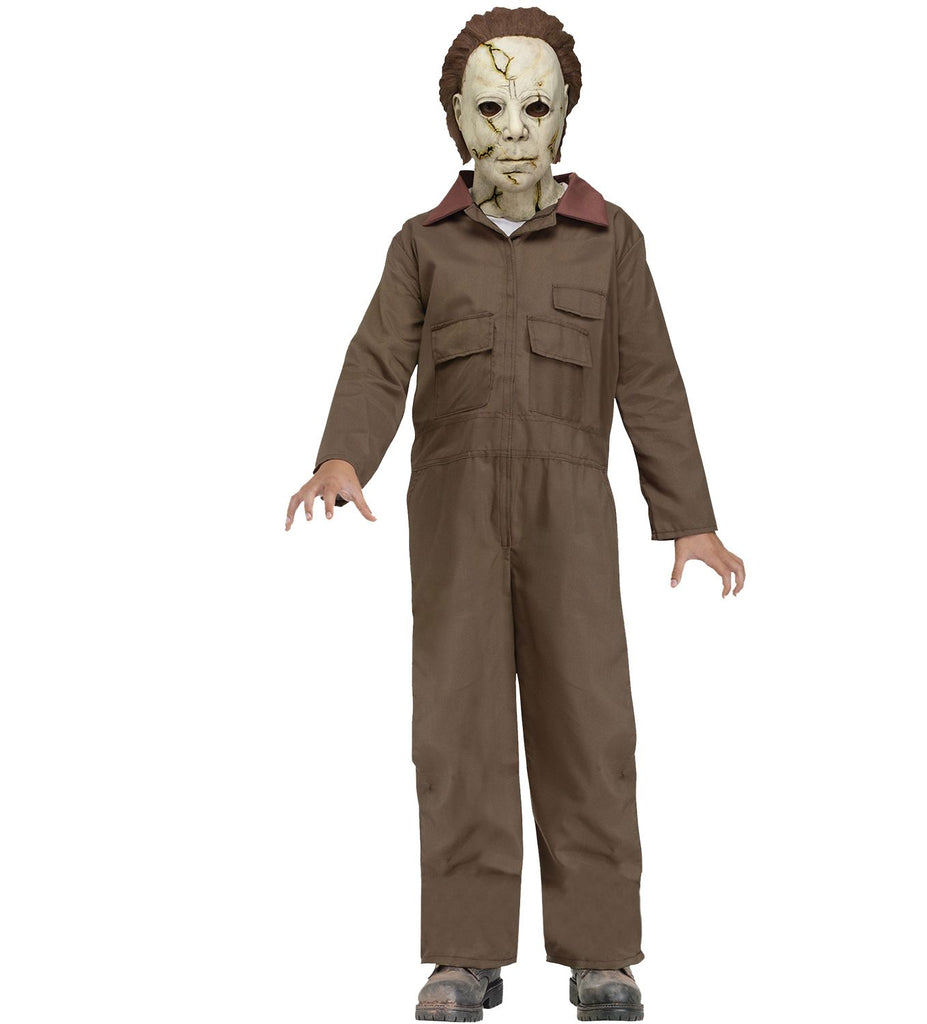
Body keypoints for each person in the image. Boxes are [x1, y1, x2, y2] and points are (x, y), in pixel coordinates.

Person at [286, 7, 745, 1021]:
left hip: (570, 508)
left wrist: (689, 517)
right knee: (457, 727)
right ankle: (464, 955)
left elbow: (651, 380)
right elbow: (378, 359)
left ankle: (602, 955)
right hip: (452, 512)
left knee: (589, 719)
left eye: (535, 107)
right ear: (455, 119)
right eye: (489, 108)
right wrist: (343, 455)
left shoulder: (610, 241)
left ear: (567, 113)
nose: (514, 130)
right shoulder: (422, 246)